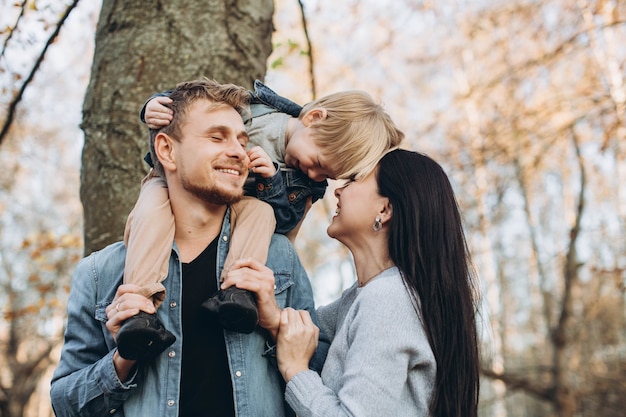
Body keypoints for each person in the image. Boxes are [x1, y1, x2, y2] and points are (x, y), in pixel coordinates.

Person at [50, 78, 323, 417]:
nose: (239, 150)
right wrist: (123, 358)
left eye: (242, 139)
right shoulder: (99, 273)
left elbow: (321, 381)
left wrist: (274, 324)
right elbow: (65, 404)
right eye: (216, 136)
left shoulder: (278, 259)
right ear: (166, 150)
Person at [116, 80, 405, 357]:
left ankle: (237, 291)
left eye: (327, 176)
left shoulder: (306, 184)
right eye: (318, 163)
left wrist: (272, 183)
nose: (316, 176)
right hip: (170, 185)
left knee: (261, 212)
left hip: (235, 210)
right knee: (152, 207)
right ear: (314, 118)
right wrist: (152, 106)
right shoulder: (253, 109)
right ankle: (139, 308)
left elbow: (285, 225)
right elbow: (191, 105)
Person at [227, 149, 481, 416]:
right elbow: (310, 337)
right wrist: (275, 320)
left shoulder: (388, 298)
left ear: (384, 209)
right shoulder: (362, 296)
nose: (338, 191)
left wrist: (296, 371)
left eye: (354, 182)